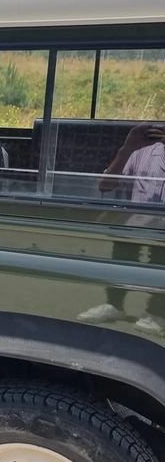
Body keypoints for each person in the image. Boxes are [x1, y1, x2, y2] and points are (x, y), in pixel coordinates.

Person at [78, 124, 165, 329]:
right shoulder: (143, 150)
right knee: (123, 245)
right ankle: (114, 304)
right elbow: (105, 185)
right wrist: (127, 148)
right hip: (137, 223)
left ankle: (157, 312)